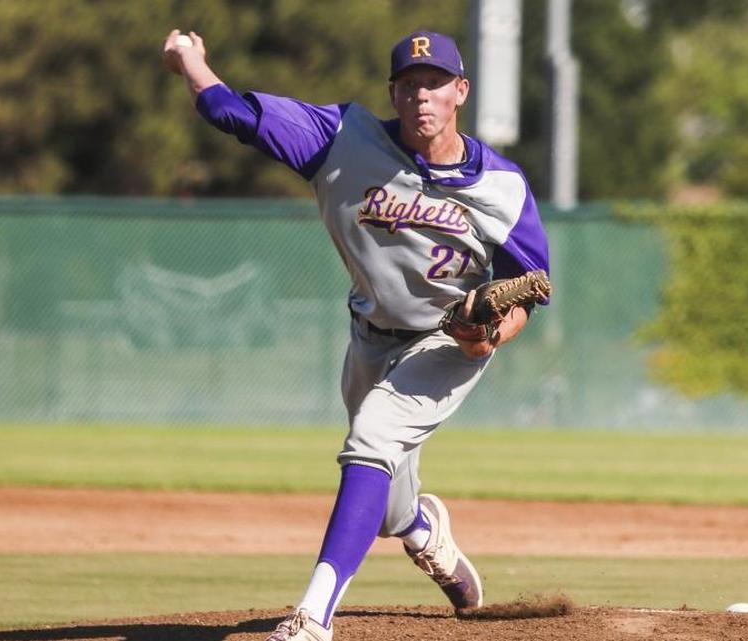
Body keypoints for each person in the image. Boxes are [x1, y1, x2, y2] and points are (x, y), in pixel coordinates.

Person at [162, 28, 551, 641]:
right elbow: (229, 111)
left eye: (435, 84)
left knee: (369, 442)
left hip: (446, 343)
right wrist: (192, 62)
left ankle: (312, 617)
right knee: (388, 505)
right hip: (371, 336)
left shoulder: (501, 188)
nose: (422, 96)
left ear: (461, 92)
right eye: (409, 85)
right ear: (392, 94)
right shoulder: (343, 139)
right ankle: (424, 532)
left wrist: (490, 337)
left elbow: (527, 290)